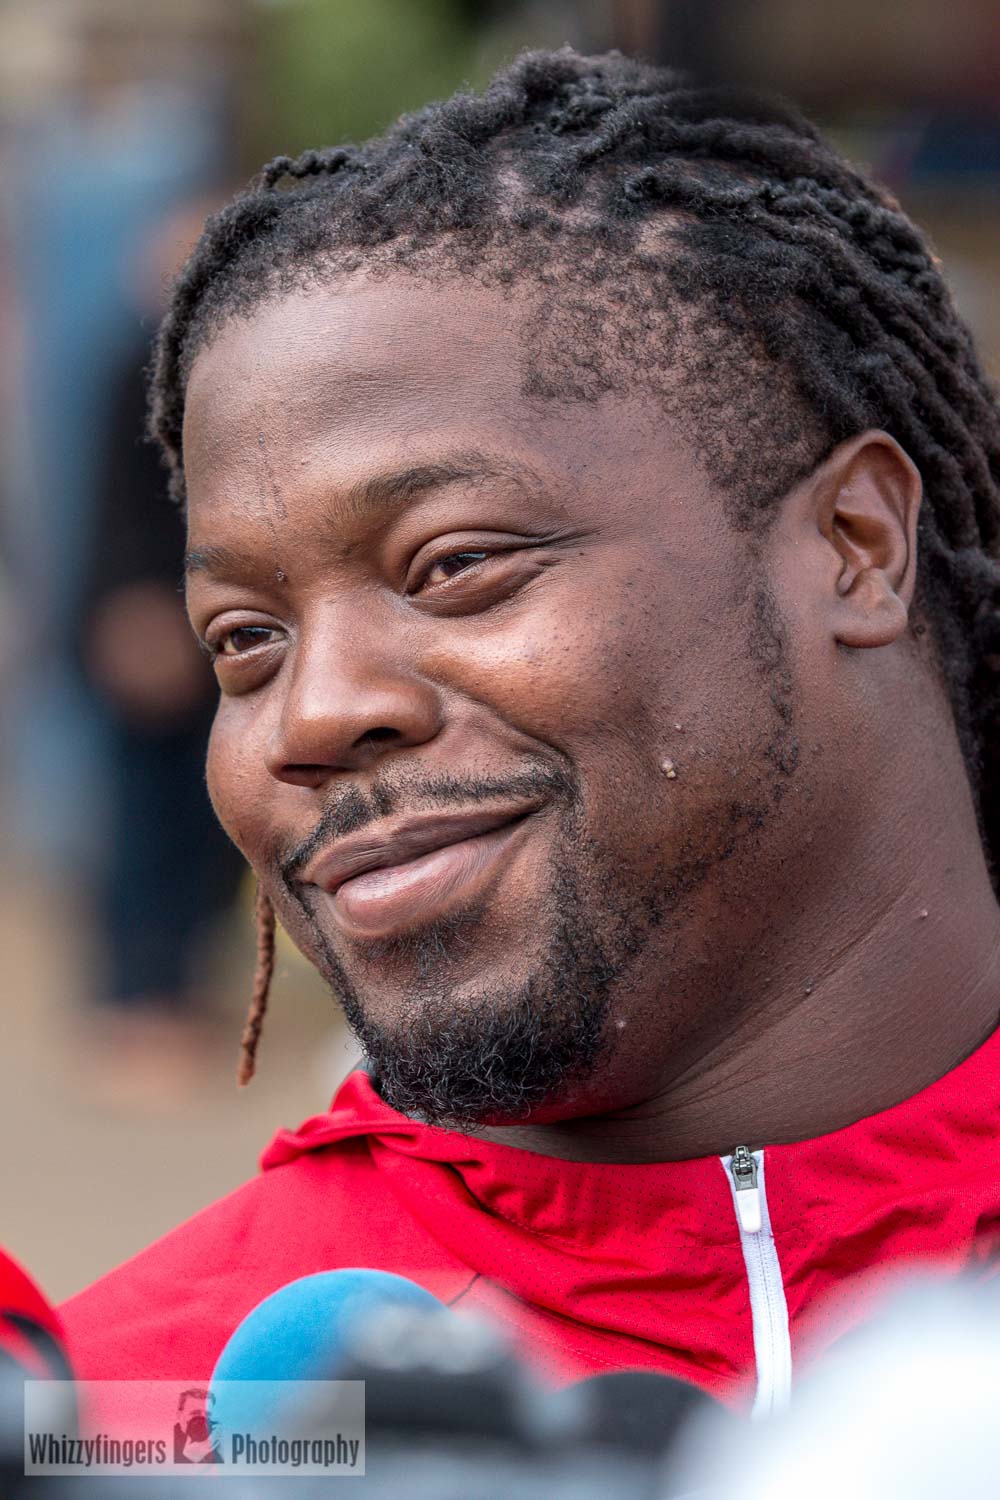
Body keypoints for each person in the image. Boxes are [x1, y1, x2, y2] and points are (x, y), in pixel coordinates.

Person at [58, 47, 1000, 1419]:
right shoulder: (134, 1420)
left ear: (856, 547)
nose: (312, 716)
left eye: (454, 565)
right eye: (247, 640)